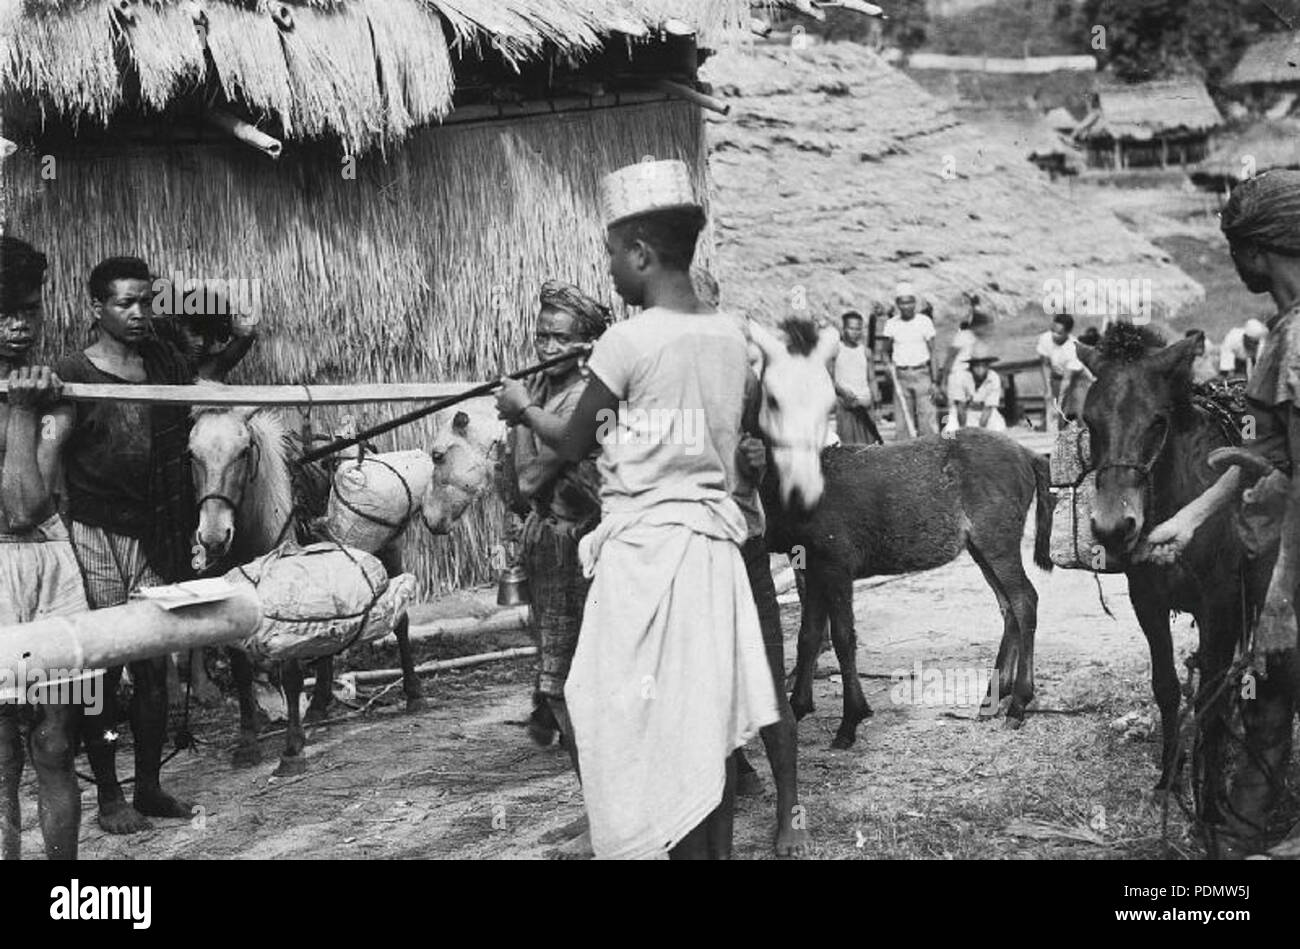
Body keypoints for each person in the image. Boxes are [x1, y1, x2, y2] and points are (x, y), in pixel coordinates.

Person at [495, 159, 778, 859]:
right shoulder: (731, 337)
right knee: (699, 726)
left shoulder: (627, 341)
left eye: (614, 253)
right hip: (712, 554)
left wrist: (521, 406)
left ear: (642, 253)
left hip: (646, 557)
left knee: (612, 713)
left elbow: (568, 441)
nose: (610, 268)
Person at [1140, 170, 1300, 853]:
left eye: (1235, 248)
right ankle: (1238, 833)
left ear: (1256, 251)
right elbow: (1267, 454)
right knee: (1271, 691)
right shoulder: (1279, 335)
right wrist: (1192, 517)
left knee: (1274, 680)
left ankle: (1241, 832)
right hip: (1288, 541)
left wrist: (1280, 588)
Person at [52, 256, 198, 834]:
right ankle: (111, 793)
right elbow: (55, 461)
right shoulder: (72, 372)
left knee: (154, 665)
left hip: (156, 528)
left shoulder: (166, 366)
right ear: (97, 309)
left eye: (146, 301)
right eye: (124, 303)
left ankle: (150, 787)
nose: (138, 313)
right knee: (103, 674)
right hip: (95, 532)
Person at [692, 267, 809, 858]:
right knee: (698, 684)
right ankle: (725, 786)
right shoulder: (655, 372)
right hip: (685, 548)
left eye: (707, 309)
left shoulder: (745, 374)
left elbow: (770, 446)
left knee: (766, 678)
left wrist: (756, 458)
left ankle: (790, 810)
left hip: (741, 543)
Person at [0, 237, 85, 860]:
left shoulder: (48, 390)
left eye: (29, 310)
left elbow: (29, 508)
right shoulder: (32, 392)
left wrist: (26, 413)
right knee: (0, 753)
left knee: (55, 746)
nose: (17, 326)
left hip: (50, 568)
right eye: (3, 311)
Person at [506, 282, 607, 777]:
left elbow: (527, 477)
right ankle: (598, 803)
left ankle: (604, 806)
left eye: (560, 338)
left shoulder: (578, 399)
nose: (547, 347)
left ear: (586, 343)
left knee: (569, 684)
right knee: (562, 680)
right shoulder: (549, 390)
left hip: (575, 549)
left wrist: (520, 413)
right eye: (542, 336)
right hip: (550, 544)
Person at [881, 282, 939, 440]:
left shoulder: (924, 321)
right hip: (901, 377)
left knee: (927, 418)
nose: (906, 306)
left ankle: (931, 453)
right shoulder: (891, 324)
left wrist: (934, 381)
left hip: (922, 375)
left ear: (915, 302)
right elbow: (884, 352)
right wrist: (888, 367)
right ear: (898, 304)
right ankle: (905, 456)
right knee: (903, 422)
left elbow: (933, 352)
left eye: (910, 302)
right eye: (902, 302)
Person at [1036, 312, 1092, 434]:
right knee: (1053, 410)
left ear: (1067, 333)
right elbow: (1045, 365)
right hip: (1057, 376)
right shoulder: (1045, 338)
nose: (1054, 335)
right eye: (1053, 331)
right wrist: (1048, 389)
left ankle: (1085, 437)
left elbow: (1067, 380)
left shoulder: (1072, 348)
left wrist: (1059, 401)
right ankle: (1053, 435)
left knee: (1079, 412)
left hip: (1078, 379)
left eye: (1059, 333)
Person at [832, 311, 882, 445]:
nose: (855, 332)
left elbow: (871, 378)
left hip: (865, 404)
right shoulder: (836, 350)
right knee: (848, 448)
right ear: (843, 329)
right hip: (845, 406)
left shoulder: (865, 351)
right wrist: (842, 391)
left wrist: (877, 405)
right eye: (851, 328)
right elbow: (827, 378)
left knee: (869, 447)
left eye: (858, 329)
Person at [943, 340, 1005, 433]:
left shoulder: (994, 378)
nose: (980, 369)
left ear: (988, 366)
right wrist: (963, 431)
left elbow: (988, 409)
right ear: (971, 366)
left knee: (999, 428)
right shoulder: (960, 377)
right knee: (950, 432)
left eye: (984, 366)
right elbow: (961, 407)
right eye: (977, 366)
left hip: (983, 412)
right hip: (963, 412)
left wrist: (980, 433)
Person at [940, 302, 994, 398]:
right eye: (985, 327)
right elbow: (950, 358)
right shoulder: (963, 336)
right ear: (977, 326)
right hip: (957, 376)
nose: (987, 330)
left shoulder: (980, 340)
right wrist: (944, 382)